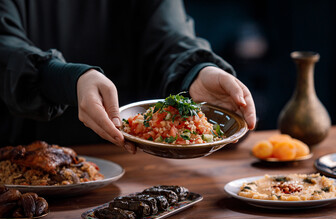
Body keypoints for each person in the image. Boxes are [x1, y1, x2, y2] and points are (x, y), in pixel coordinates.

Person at [0, 0, 256, 153]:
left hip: (134, 165)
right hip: (21, 159)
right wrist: (66, 79)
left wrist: (197, 71)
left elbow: (169, 34)